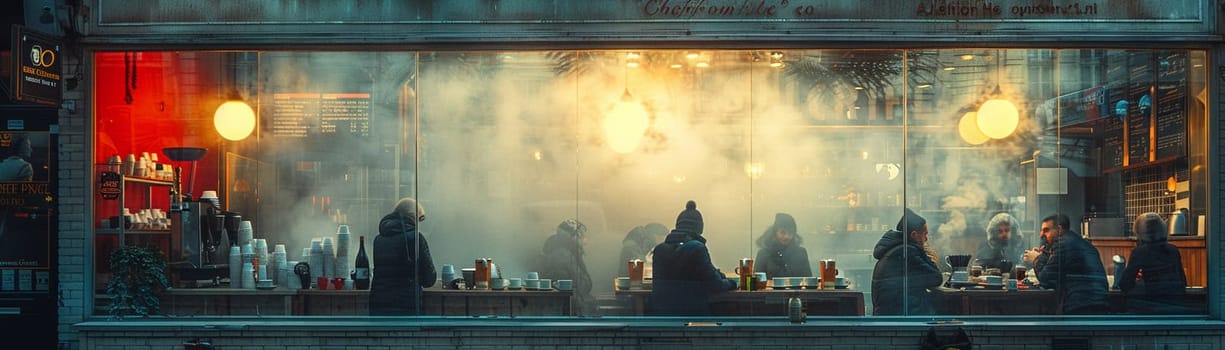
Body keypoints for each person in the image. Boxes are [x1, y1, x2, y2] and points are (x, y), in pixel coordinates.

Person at [650, 200, 736, 315]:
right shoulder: (697, 249)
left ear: (677, 226)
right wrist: (732, 283)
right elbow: (715, 284)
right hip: (694, 315)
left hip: (663, 316)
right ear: (699, 228)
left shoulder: (659, 250)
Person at [369, 197, 437, 316]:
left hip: (378, 307)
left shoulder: (378, 240)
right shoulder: (416, 238)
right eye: (419, 219)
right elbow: (429, 279)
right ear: (413, 217)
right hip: (407, 308)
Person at [870, 208, 943, 315]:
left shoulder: (896, 249)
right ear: (914, 235)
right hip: (904, 317)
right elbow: (936, 278)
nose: (926, 239)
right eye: (924, 234)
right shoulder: (907, 252)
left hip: (892, 314)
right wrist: (926, 254)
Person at [1035, 213, 1109, 314]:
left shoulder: (1063, 245)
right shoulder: (1085, 244)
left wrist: (1036, 259)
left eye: (1046, 230)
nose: (1041, 235)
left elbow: (1045, 279)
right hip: (1102, 303)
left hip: (1079, 306)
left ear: (1059, 229)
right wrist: (1045, 251)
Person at [1120, 212, 1188, 314]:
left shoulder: (1140, 252)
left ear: (1139, 233)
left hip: (1150, 306)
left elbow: (1124, 284)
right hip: (1175, 305)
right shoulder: (1173, 250)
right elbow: (1183, 281)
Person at [538, 218, 596, 315]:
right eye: (582, 236)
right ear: (573, 237)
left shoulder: (565, 253)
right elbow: (575, 287)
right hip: (566, 312)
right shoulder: (563, 256)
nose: (585, 240)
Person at [753, 213, 812, 278]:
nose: (787, 236)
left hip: (796, 288)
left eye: (790, 233)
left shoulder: (801, 253)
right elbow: (757, 282)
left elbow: (808, 281)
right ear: (775, 232)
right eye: (783, 232)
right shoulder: (764, 254)